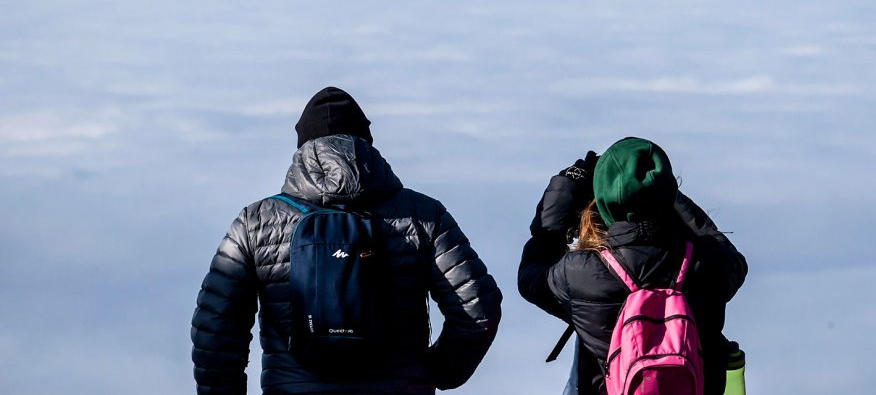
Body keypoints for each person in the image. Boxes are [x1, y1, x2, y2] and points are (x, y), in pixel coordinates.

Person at [192, 87, 502, 395]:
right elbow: (478, 307)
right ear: (367, 144)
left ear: (302, 148)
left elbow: (216, 329)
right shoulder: (423, 215)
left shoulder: (255, 222)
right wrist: (437, 373)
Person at [518, 138, 747, 395]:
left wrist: (565, 189)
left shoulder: (581, 273)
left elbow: (531, 275)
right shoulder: (709, 262)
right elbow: (726, 250)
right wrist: (660, 190)